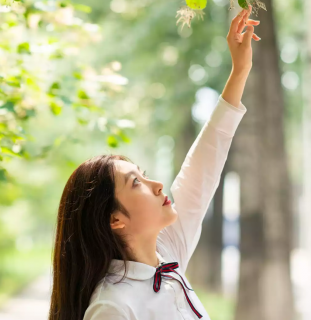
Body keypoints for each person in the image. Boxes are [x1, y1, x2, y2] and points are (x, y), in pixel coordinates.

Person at [48, 5, 261, 320]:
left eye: (143, 175)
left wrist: (239, 70)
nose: (156, 184)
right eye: (136, 183)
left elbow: (201, 172)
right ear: (114, 220)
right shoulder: (113, 307)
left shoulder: (166, 257)